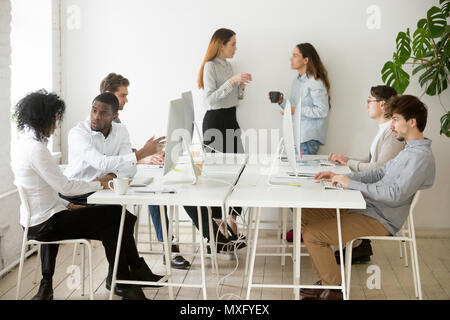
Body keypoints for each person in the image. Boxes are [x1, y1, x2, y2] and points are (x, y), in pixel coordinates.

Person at [11, 90, 165, 300]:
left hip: (45, 215)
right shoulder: (38, 150)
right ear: (43, 119)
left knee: (117, 219)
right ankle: (123, 279)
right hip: (47, 223)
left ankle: (121, 278)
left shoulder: (26, 145)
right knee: (116, 217)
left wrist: (68, 206)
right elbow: (65, 187)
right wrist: (101, 184)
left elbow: (45, 191)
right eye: (54, 120)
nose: (56, 127)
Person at [299, 95, 435, 300]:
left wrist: (351, 184)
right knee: (306, 213)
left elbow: (395, 195)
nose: (392, 126)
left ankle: (334, 290)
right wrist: (341, 177)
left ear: (412, 122)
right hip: (367, 207)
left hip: (380, 219)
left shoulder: (421, 157)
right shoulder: (409, 149)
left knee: (312, 234)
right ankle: (327, 283)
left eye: (396, 119)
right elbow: (378, 173)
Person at [99, 73, 189, 269]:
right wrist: (142, 157)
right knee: (156, 193)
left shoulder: (116, 120)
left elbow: (122, 151)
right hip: (111, 183)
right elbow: (109, 160)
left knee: (161, 187)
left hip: (123, 175)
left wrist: (146, 157)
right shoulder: (101, 121)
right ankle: (168, 247)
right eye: (123, 95)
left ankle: (170, 245)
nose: (126, 99)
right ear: (109, 94)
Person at [328, 85, 405, 264]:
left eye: (369, 101)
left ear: (382, 104)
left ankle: (353, 243)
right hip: (375, 189)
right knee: (337, 186)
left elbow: (380, 168)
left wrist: (349, 164)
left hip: (381, 198)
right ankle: (359, 245)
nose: (366, 105)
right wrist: (348, 160)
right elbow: (372, 161)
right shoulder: (384, 129)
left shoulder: (391, 133)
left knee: (337, 192)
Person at [193, 27, 252, 238]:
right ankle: (218, 225)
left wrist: (241, 86)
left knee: (240, 171)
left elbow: (235, 98)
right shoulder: (210, 66)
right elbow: (210, 99)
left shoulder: (229, 66)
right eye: (233, 44)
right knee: (215, 175)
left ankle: (232, 219)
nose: (236, 48)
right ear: (221, 45)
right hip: (215, 121)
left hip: (230, 119)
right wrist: (232, 81)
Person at [272, 43, 330, 241]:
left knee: (298, 184)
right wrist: (282, 101)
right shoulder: (297, 81)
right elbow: (294, 108)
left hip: (307, 139)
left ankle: (306, 228)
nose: (291, 58)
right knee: (294, 183)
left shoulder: (315, 82)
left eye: (295, 55)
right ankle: (303, 226)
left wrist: (296, 111)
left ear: (306, 60)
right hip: (296, 137)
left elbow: (322, 111)